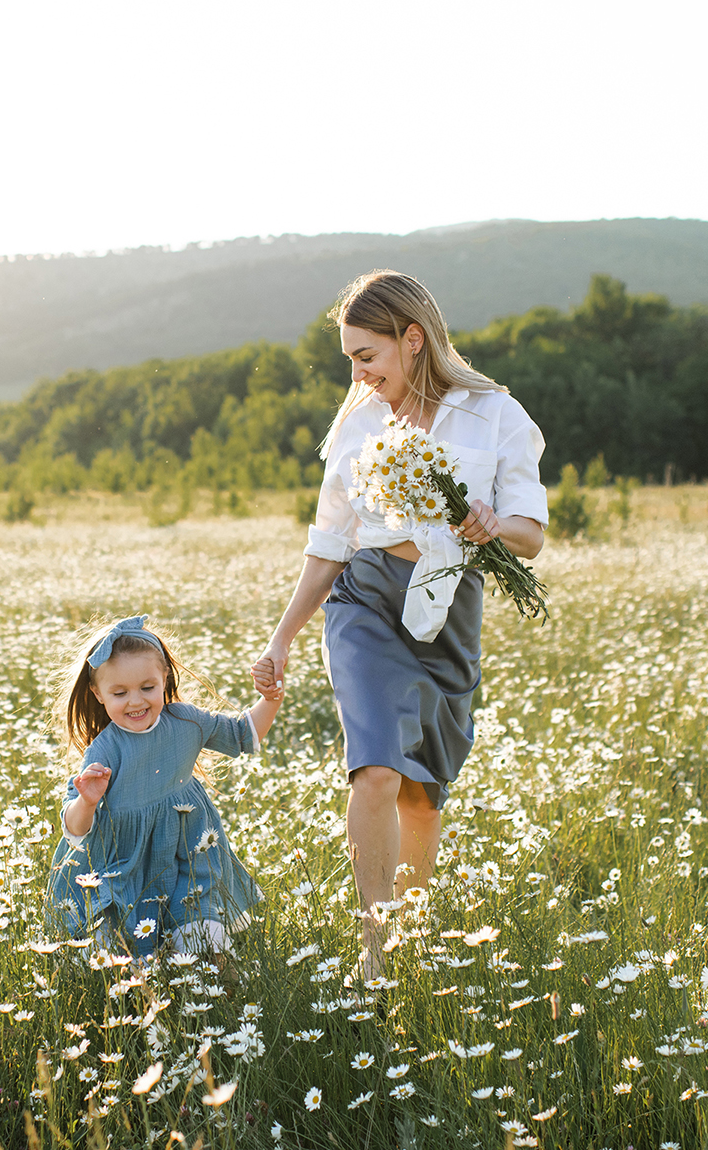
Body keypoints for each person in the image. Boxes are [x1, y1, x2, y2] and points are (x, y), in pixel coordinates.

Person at [252, 270, 546, 979]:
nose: (357, 372)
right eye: (351, 359)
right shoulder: (358, 425)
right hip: (366, 602)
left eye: (367, 356)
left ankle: (411, 932)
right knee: (376, 768)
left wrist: (490, 525)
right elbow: (329, 545)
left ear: (412, 340)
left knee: (422, 790)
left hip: (449, 606)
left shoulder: (496, 414)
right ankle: (374, 951)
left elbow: (530, 535)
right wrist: (283, 635)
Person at [47, 614, 283, 959]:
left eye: (147, 687)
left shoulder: (185, 720)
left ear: (164, 678)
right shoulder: (105, 750)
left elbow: (241, 734)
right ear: (98, 694)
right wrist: (88, 802)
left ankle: (213, 976)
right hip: (125, 863)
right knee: (124, 954)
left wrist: (271, 699)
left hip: (187, 848)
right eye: (119, 692)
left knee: (203, 937)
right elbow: (75, 830)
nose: (136, 701)